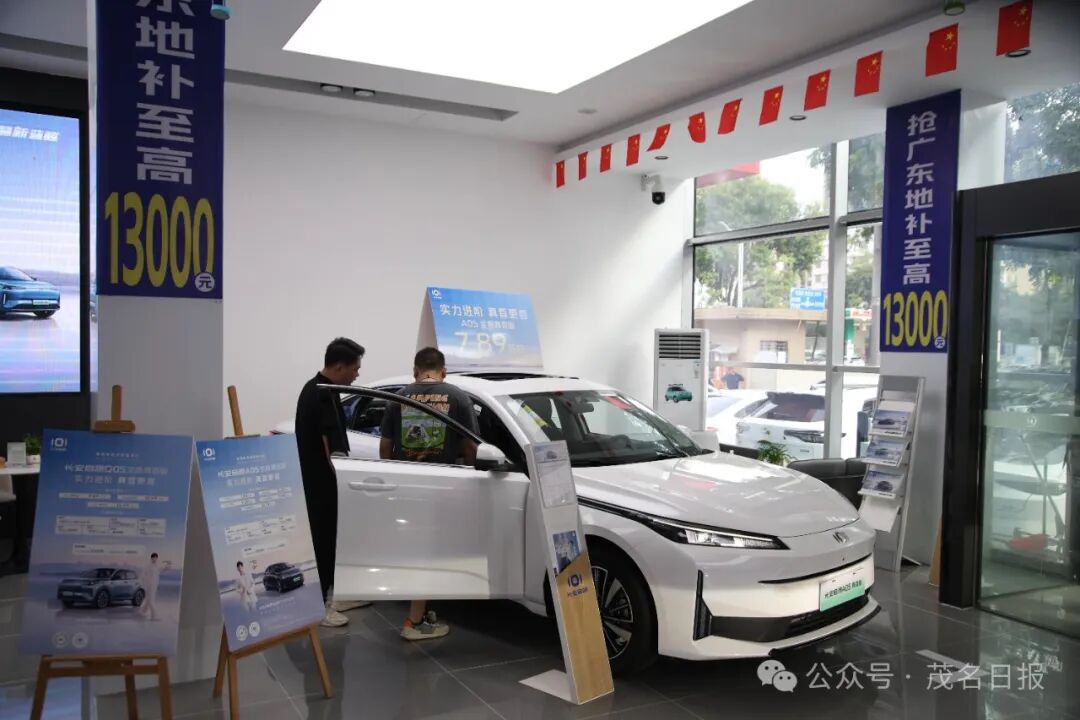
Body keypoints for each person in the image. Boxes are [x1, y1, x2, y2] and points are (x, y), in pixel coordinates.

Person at [380, 347, 479, 640]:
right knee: (428, 552)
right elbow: (471, 446)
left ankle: (421, 613)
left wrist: (393, 476)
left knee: (418, 549)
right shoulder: (458, 397)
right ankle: (414, 621)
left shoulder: (399, 397)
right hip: (443, 484)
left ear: (415, 371)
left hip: (408, 485)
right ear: (443, 371)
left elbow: (385, 446)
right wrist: (471, 476)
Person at [295, 337, 367, 628]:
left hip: (316, 481)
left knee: (326, 542)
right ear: (339, 367)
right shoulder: (322, 393)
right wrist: (341, 479)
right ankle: (319, 608)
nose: (357, 374)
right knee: (323, 544)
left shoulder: (316, 387)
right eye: (355, 368)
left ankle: (331, 596)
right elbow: (328, 445)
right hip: (321, 483)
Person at [138, 552, 170, 621]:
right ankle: (154, 616)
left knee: (148, 599)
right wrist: (142, 584)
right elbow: (142, 575)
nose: (155, 559)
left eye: (156, 558)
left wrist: (168, 564)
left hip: (154, 585)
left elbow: (164, 568)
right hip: (148, 586)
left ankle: (142, 611)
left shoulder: (157, 566)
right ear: (151, 558)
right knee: (151, 600)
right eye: (154, 557)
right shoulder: (147, 566)